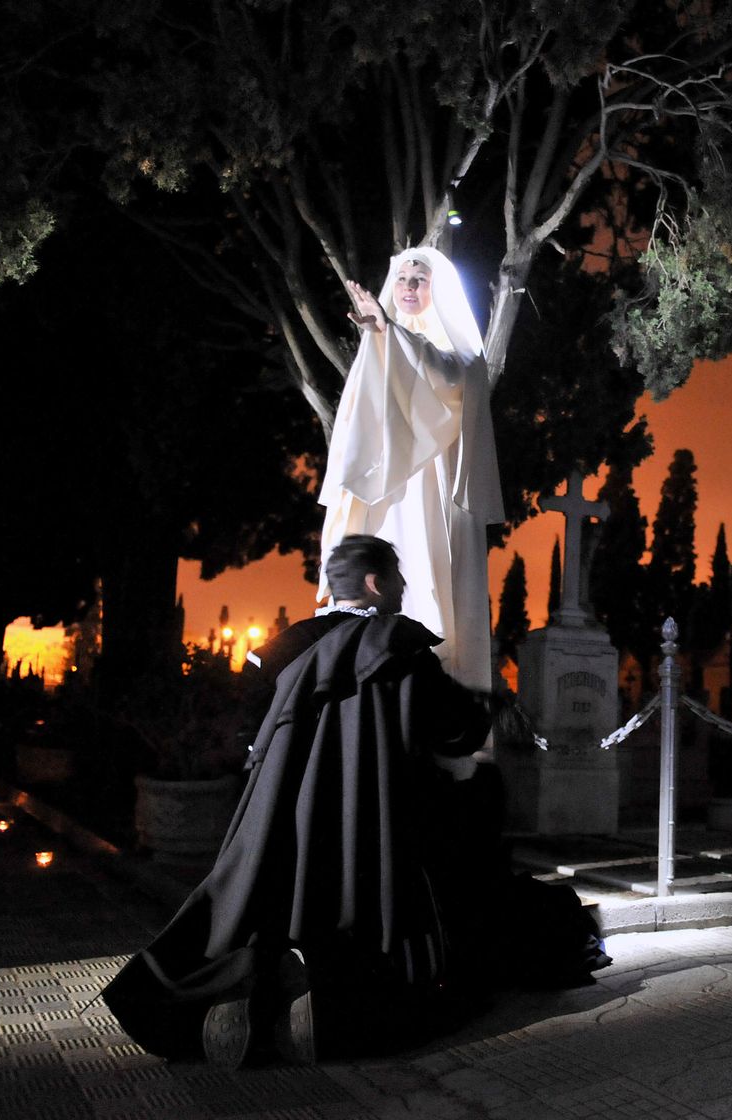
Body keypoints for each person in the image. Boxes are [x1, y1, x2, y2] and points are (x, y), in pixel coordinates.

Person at [103, 536, 604, 1068]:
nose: (405, 587)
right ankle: (324, 997)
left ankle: (253, 989)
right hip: (372, 831)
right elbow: (455, 731)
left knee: (256, 912)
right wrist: (492, 704)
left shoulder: (283, 649)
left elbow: (247, 738)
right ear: (374, 583)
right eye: (398, 577)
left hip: (281, 831)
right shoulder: (397, 645)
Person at [317, 247, 503, 692]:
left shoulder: (458, 349)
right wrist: (381, 337)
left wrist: (390, 331)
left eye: (419, 279)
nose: (409, 287)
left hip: (430, 487)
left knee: (426, 576)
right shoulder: (381, 341)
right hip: (384, 490)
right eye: (402, 278)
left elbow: (446, 377)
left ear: (437, 288)